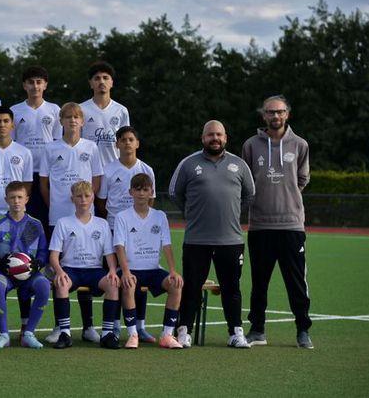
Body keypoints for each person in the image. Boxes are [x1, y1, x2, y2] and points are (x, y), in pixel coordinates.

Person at [169, 120, 255, 349]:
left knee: (232, 288)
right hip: (197, 240)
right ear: (203, 138)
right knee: (192, 287)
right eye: (210, 135)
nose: (214, 138)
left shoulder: (239, 164)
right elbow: (175, 193)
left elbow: (249, 195)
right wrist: (192, 212)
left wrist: (231, 213)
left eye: (219, 134)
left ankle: (235, 332)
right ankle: (184, 330)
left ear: (225, 138)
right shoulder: (188, 163)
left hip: (231, 240)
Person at [241, 95, 313, 349]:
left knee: (296, 282)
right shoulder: (250, 145)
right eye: (271, 112)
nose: (275, 116)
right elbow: (245, 181)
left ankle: (303, 330)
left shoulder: (300, 144)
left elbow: (302, 179)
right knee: (259, 283)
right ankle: (257, 330)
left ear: (287, 114)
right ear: (264, 115)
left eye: (280, 112)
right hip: (260, 225)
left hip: (291, 225)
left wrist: (286, 196)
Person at [39, 102, 103, 345]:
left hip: (86, 218)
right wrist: (54, 205)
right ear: (61, 121)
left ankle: (88, 326)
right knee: (60, 270)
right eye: (68, 117)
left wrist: (86, 204)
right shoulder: (50, 148)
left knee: (86, 264)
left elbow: (96, 179)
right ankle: (60, 325)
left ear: (82, 121)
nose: (73, 121)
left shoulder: (91, 147)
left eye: (76, 117)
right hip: (58, 218)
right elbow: (44, 182)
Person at [97, 125, 156, 342]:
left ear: (137, 143)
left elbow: (151, 201)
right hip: (114, 230)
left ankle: (140, 326)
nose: (127, 143)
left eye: (131, 139)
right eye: (123, 140)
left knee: (139, 277)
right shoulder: (108, 170)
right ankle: (114, 326)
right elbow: (102, 202)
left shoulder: (147, 169)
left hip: (139, 232)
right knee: (115, 279)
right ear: (117, 144)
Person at [113, 173, 183, 349]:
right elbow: (119, 247)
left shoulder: (160, 216)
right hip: (131, 269)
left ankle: (167, 335)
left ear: (152, 192)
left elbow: (167, 245)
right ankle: (133, 334)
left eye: (145, 190)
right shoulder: (122, 216)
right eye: (137, 189)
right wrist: (125, 272)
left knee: (176, 285)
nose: (141, 193)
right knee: (128, 284)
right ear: (130, 192)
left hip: (153, 269)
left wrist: (173, 271)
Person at [48, 181, 121, 350]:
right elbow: (53, 255)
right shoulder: (63, 223)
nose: (83, 200)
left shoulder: (102, 224)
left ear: (93, 197)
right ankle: (65, 334)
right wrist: (59, 271)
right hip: (70, 269)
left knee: (112, 284)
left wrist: (112, 270)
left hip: (94, 270)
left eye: (87, 196)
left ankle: (107, 334)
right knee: (61, 283)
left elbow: (109, 254)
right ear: (72, 198)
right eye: (79, 196)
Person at [0, 182, 49, 349]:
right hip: (4, 273)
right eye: (12, 197)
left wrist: (38, 263)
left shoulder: (35, 224)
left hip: (29, 274)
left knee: (44, 285)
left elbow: (43, 251)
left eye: (20, 197)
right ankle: (3, 334)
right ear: (6, 199)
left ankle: (28, 334)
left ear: (27, 199)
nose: (16, 201)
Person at [12, 66, 62, 233]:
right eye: (31, 82)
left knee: (46, 213)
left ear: (45, 85)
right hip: (22, 171)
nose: (35, 86)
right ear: (24, 85)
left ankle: (45, 246)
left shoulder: (55, 110)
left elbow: (57, 142)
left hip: (46, 172)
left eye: (39, 82)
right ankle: (26, 247)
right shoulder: (15, 110)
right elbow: (12, 142)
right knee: (25, 213)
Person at [80, 61, 130, 166]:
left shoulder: (121, 111)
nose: (101, 81)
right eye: (97, 78)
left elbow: (126, 143)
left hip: (114, 168)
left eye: (105, 78)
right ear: (91, 83)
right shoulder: (81, 109)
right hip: (87, 167)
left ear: (111, 82)